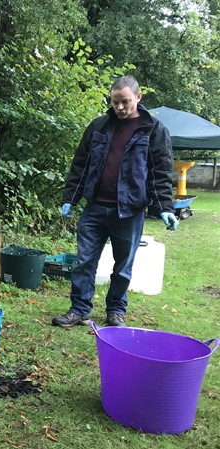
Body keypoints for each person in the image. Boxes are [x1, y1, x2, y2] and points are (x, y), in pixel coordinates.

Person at [52, 76, 178, 329]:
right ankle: (79, 310)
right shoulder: (99, 126)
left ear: (138, 97)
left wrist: (164, 206)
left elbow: (160, 172)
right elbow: (81, 163)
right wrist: (70, 197)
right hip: (95, 207)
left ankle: (115, 311)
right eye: (114, 102)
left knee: (122, 267)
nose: (119, 108)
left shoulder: (153, 129)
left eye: (125, 102)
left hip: (129, 211)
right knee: (84, 261)